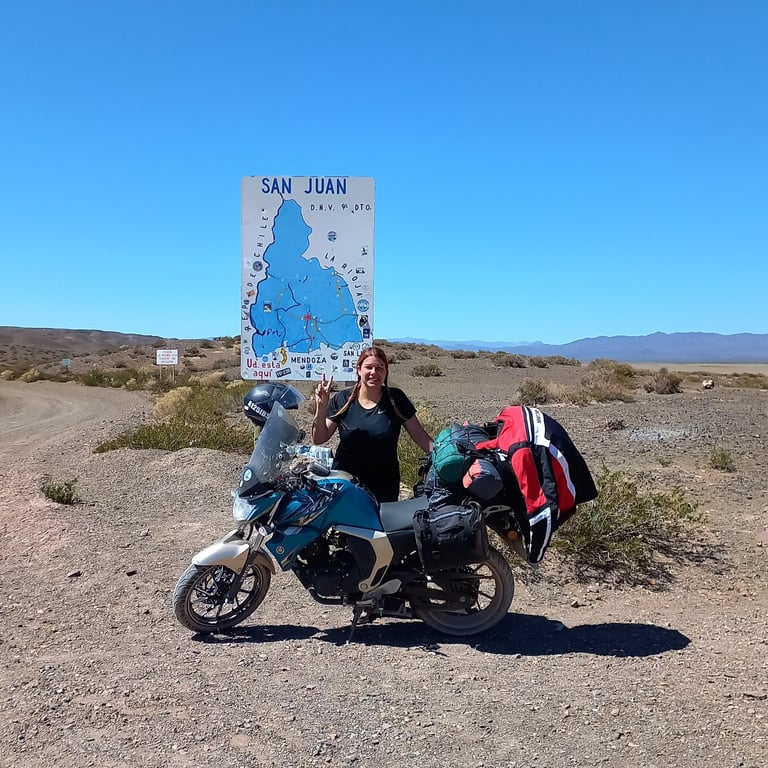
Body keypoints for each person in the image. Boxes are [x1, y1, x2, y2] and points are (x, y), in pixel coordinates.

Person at [311, 346, 433, 502]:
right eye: (368, 367)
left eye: (379, 368)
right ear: (359, 370)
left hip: (383, 485)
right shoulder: (343, 399)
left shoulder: (395, 399)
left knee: (381, 526)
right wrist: (321, 408)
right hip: (346, 484)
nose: (374, 373)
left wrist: (446, 457)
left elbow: (421, 437)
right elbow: (319, 438)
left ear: (386, 371)